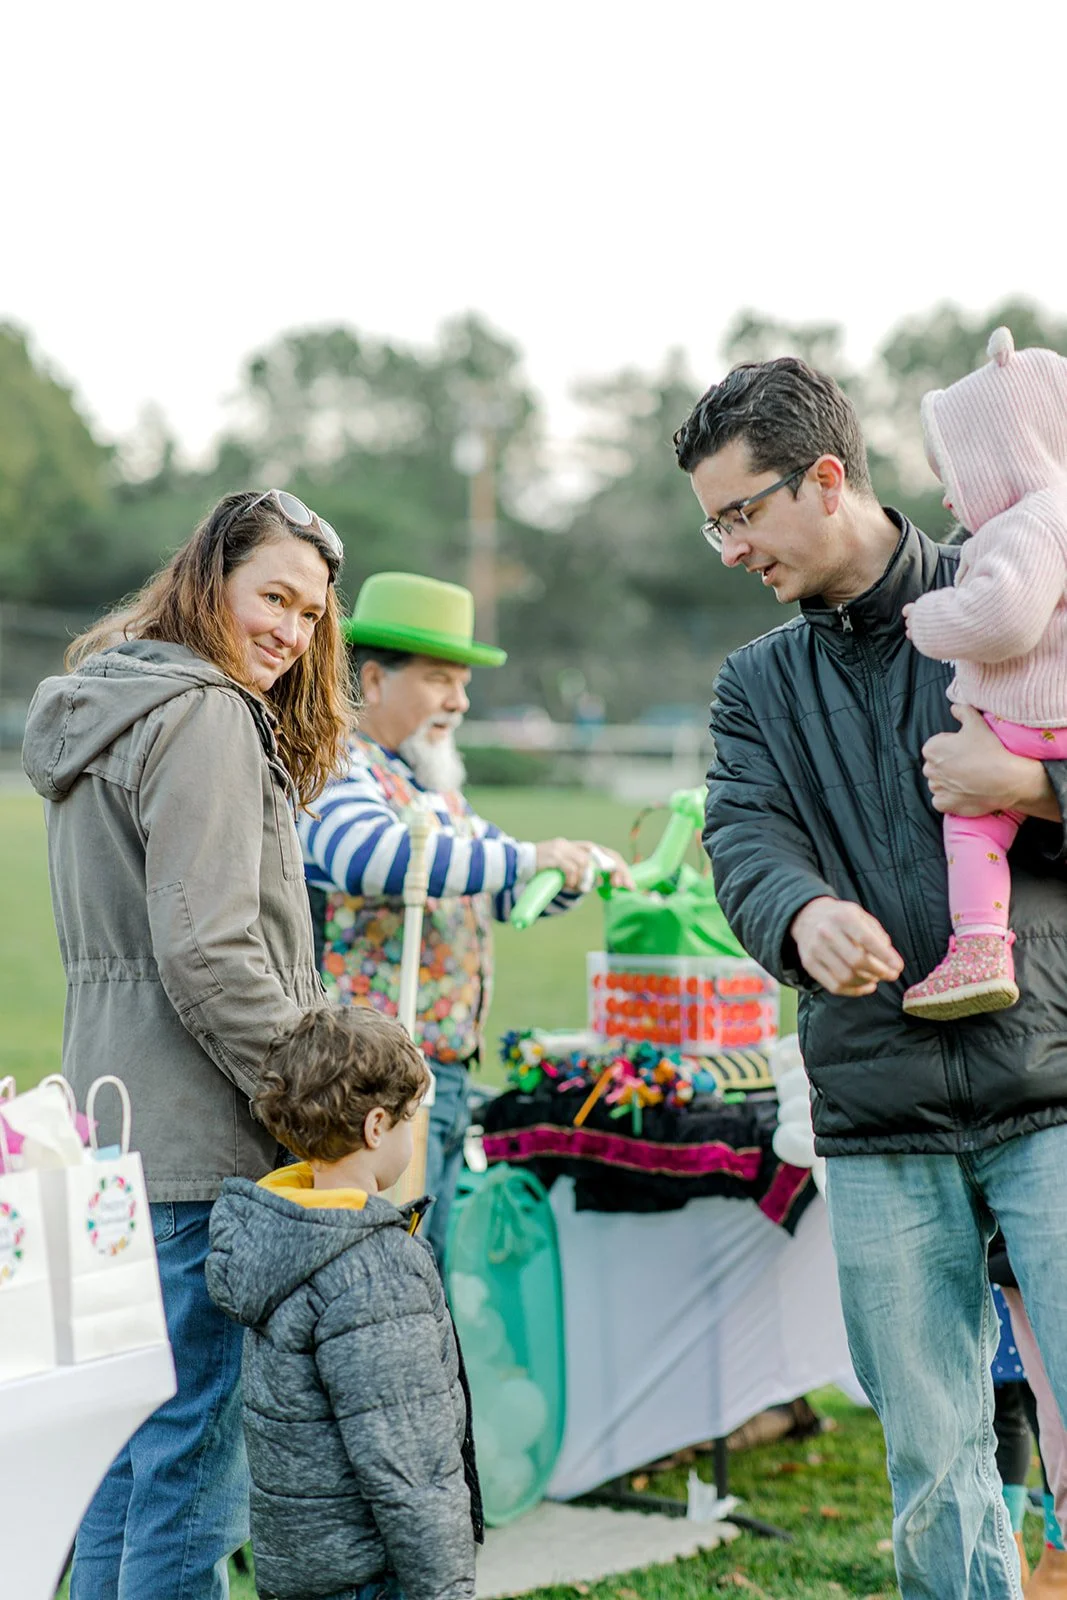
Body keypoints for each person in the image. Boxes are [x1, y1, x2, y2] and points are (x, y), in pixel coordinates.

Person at [673, 357, 1067, 1600]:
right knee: (932, 1460)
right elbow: (740, 836)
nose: (727, 547)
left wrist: (1034, 792)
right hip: (876, 1108)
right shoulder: (754, 686)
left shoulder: (1014, 592)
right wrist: (799, 914)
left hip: (1050, 1081)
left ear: (826, 479)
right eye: (711, 523)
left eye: (740, 513)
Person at [22, 490, 352, 1600]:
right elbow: (210, 952)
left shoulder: (112, 703)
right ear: (208, 578)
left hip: (107, 1129)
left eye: (310, 615)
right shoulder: (203, 713)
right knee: (191, 1468)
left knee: (129, 1455)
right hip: (195, 1142)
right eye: (273, 597)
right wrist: (320, 1105)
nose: (291, 633)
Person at [298, 570, 632, 1264]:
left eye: (462, 682)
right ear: (375, 681)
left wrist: (564, 873)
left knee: (428, 1266)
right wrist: (527, 857)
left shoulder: (430, 786)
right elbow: (368, 857)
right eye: (440, 679)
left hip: (433, 1071)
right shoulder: (338, 762)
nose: (459, 700)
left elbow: (499, 889)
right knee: (385, 1271)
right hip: (363, 1082)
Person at [206, 1005, 482, 1600]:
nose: (411, 1135)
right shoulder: (373, 1272)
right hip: (372, 1574)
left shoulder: (276, 1233)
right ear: (377, 1126)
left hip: (300, 1569)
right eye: (410, 1120)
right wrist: (447, 1588)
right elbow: (407, 1462)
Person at [900, 327, 1067, 1019]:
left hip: (1032, 726)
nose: (948, 503)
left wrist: (930, 620)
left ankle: (976, 947)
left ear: (1000, 453)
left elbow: (1003, 618)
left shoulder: (1031, 522)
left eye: (955, 476)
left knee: (969, 820)